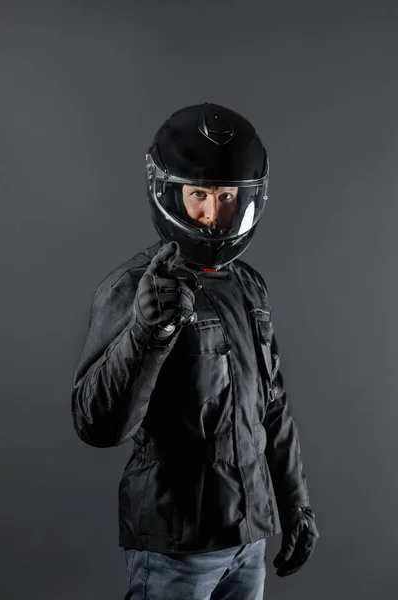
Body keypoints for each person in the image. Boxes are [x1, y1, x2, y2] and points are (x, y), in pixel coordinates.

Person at [71, 102, 319, 600]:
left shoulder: (249, 287)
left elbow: (271, 406)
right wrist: (147, 333)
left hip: (247, 541)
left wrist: (294, 504)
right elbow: (96, 425)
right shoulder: (133, 288)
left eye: (227, 196)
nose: (212, 214)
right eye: (198, 195)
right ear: (170, 194)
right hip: (175, 550)